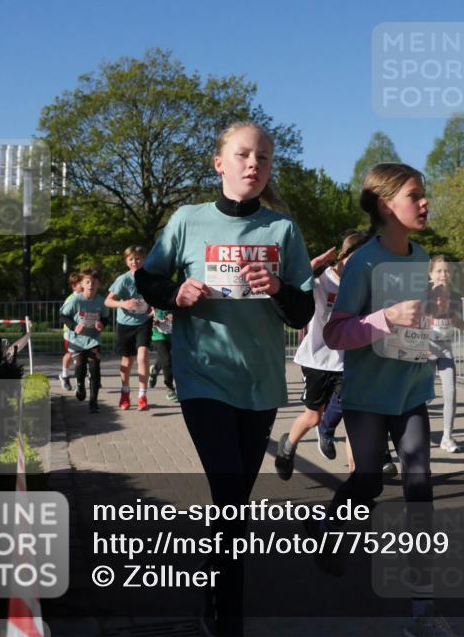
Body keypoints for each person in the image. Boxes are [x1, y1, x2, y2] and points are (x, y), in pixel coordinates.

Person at [134, 121, 314, 637]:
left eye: (262, 157)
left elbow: (301, 311)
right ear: (220, 163)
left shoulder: (282, 230)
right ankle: (229, 619)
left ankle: (214, 590)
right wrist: (176, 295)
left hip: (258, 383)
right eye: (242, 155)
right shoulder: (187, 220)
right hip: (202, 377)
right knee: (231, 493)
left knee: (234, 502)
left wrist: (278, 286)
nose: (253, 164)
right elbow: (150, 277)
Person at [316, 162, 452, 637]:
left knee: (420, 487)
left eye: (423, 194)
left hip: (412, 390)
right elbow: (335, 333)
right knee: (368, 484)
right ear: (384, 204)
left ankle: (422, 606)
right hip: (368, 396)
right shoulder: (363, 263)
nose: (424, 202)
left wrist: (430, 319)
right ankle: (331, 530)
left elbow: (413, 323)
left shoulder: (421, 256)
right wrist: (387, 316)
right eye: (414, 195)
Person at [275, 231, 369, 480]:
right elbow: (291, 283)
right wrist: (314, 264)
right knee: (313, 417)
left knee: (353, 421)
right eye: (357, 259)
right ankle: (287, 446)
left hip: (348, 363)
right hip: (317, 360)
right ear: (344, 256)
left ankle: (356, 482)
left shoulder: (362, 285)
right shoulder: (321, 281)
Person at [427, 255, 464, 452]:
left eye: (447, 271)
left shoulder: (456, 296)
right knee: (422, 397)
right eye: (439, 271)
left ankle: (447, 437)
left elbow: (456, 322)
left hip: (445, 350)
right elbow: (414, 322)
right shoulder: (424, 294)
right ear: (431, 274)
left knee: (450, 393)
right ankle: (407, 431)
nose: (444, 274)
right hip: (425, 350)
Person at [106, 246, 153, 411]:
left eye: (138, 258)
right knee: (127, 361)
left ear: (143, 260)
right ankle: (125, 392)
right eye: (131, 259)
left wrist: (154, 307)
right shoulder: (123, 280)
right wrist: (123, 303)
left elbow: (156, 295)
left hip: (143, 321)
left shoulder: (150, 277)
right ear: (127, 261)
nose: (135, 262)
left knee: (143, 355)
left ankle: (142, 395)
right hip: (125, 324)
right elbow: (108, 301)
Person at [59, 267, 110, 413]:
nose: (91, 285)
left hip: (94, 340)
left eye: (94, 282)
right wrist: (74, 326)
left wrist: (102, 324)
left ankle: (93, 402)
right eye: (87, 282)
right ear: (82, 283)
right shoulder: (76, 300)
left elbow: (106, 318)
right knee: (80, 369)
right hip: (77, 340)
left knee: (95, 369)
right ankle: (80, 383)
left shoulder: (101, 301)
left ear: (98, 283)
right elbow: (62, 316)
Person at [58, 272, 82, 391]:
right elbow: (63, 315)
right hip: (70, 332)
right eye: (79, 283)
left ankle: (90, 376)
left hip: (83, 332)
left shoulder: (86, 297)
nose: (82, 285)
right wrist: (73, 325)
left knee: (84, 355)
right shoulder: (70, 299)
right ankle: (64, 376)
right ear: (73, 286)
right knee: (70, 354)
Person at [148, 308, 175, 402]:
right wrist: (151, 320)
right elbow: (145, 313)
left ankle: (154, 370)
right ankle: (170, 388)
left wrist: (174, 315)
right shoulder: (153, 296)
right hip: (158, 333)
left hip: (173, 332)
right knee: (167, 360)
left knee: (165, 357)